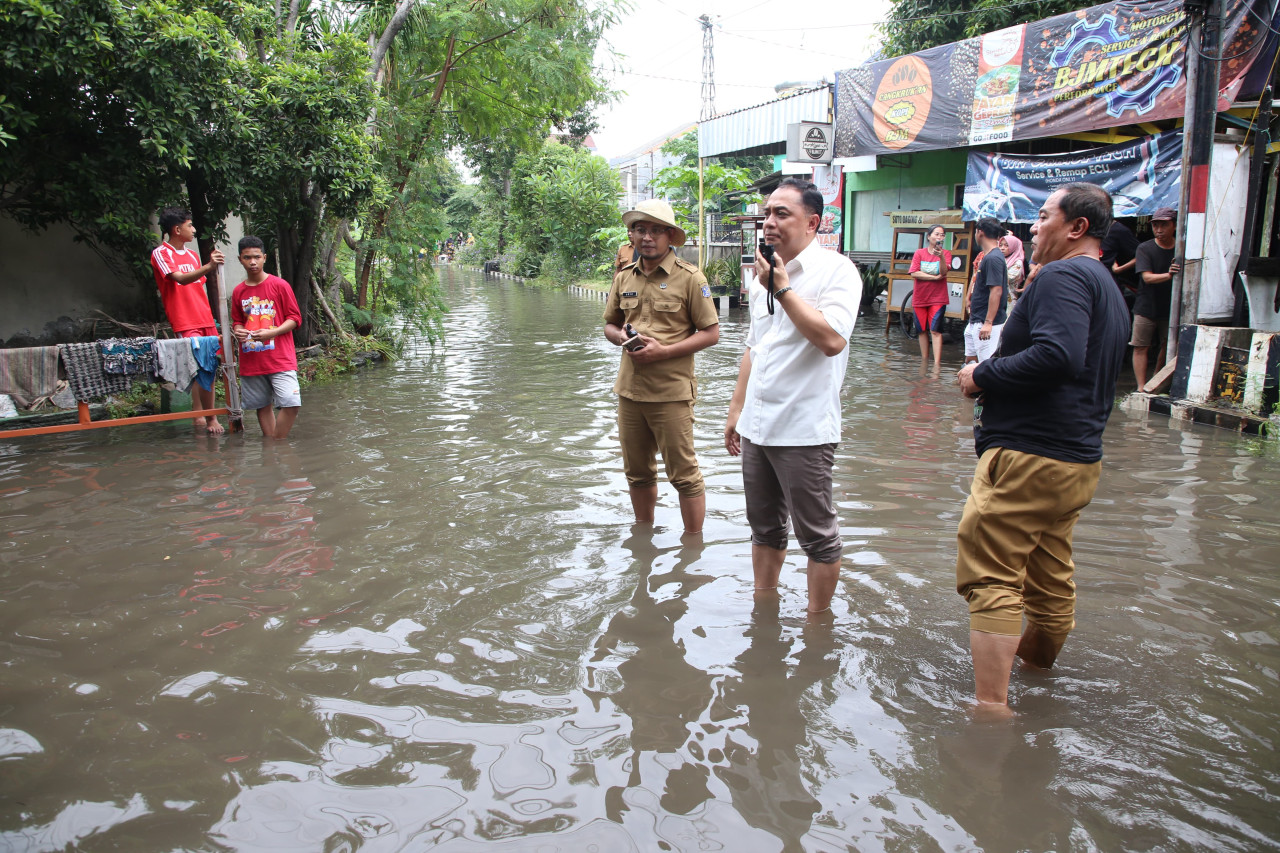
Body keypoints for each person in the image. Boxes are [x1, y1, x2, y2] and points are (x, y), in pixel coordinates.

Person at [955, 183, 1129, 713]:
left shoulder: (1063, 274)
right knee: (1050, 575)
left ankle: (990, 710)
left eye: (1044, 215)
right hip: (1077, 460)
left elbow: (1057, 356)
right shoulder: (1107, 288)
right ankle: (1033, 674)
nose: (1032, 226)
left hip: (1029, 454)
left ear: (1077, 227)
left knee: (992, 575)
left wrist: (980, 374)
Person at [723, 178, 862, 614]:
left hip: (804, 428)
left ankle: (817, 625)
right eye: (767, 214)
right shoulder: (764, 274)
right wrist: (735, 408)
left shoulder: (837, 272)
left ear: (813, 222)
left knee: (818, 535)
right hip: (758, 424)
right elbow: (755, 345)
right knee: (763, 527)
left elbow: (832, 340)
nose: (769, 223)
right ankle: (763, 610)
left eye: (781, 213)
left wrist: (782, 289)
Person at [603, 199, 720, 533]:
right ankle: (644, 533)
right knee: (637, 472)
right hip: (630, 391)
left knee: (684, 474)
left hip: (671, 393)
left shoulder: (691, 279)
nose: (647, 237)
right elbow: (610, 324)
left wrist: (663, 352)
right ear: (632, 235)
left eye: (655, 230)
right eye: (640, 230)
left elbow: (711, 334)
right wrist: (620, 337)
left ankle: (692, 546)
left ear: (670, 236)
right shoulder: (624, 277)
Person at [150, 207, 226, 434]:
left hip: (204, 318)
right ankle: (210, 418)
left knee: (207, 366)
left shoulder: (192, 255)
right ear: (176, 229)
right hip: (184, 320)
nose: (193, 230)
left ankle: (199, 413)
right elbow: (181, 280)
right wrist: (209, 266)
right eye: (190, 225)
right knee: (202, 367)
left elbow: (197, 285)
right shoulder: (161, 253)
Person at [231, 236, 303, 439]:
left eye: (256, 257)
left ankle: (276, 444)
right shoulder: (238, 291)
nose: (252, 262)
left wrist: (273, 332)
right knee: (262, 406)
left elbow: (295, 318)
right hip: (252, 359)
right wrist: (238, 330)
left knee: (291, 403)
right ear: (240, 259)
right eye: (247, 258)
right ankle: (273, 454)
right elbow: (237, 320)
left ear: (264, 258)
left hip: (280, 358)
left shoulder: (279, 285)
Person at [1132, 207, 1180, 390]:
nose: (1159, 230)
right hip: (1146, 306)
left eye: (1164, 225)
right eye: (1156, 225)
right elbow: (1147, 277)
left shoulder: (1181, 247)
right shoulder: (1145, 248)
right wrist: (1168, 275)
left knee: (1168, 345)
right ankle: (1141, 387)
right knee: (1140, 345)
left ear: (1174, 226)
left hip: (1170, 307)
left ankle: (1156, 380)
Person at [963, 218, 1009, 365]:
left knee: (986, 364)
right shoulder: (987, 256)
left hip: (986, 322)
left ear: (980, 232)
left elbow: (996, 290)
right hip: (976, 320)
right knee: (970, 361)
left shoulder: (994, 258)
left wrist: (988, 322)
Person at [908, 225, 951, 367]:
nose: (939, 237)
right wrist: (933, 278)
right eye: (937, 234)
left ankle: (936, 365)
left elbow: (944, 273)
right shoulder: (919, 253)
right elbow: (914, 272)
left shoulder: (946, 253)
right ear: (929, 236)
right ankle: (924, 362)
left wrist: (942, 258)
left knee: (935, 330)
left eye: (942, 235)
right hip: (920, 297)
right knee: (921, 330)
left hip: (938, 297)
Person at [1100, 219, 1140, 310]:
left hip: (1111, 289)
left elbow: (1142, 256)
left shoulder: (1119, 230)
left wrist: (1120, 269)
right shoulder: (1089, 230)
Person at [1000, 234, 1025, 305]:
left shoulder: (1017, 262)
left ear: (1013, 247)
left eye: (1006, 245)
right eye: (1001, 245)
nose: (1002, 248)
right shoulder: (1002, 259)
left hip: (1009, 299)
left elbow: (1008, 278)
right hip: (998, 296)